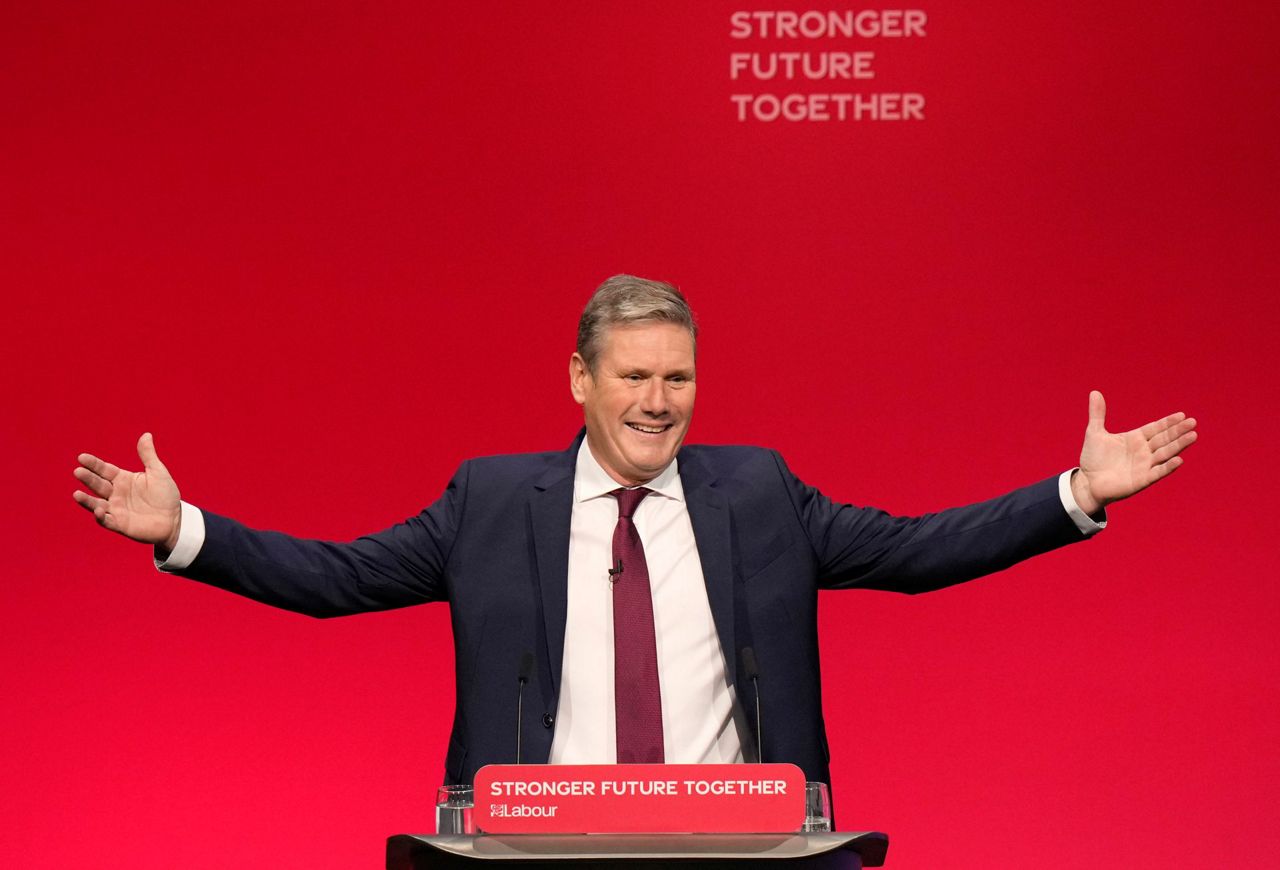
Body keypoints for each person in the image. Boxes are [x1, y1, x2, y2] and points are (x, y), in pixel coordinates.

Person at [72, 275, 1197, 788]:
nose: (657, 403)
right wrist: (186, 532)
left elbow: (913, 551)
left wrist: (1073, 494)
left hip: (738, 841)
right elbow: (338, 578)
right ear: (579, 379)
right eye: (632, 377)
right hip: (540, 842)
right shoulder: (489, 500)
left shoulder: (756, 491)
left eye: (678, 377)